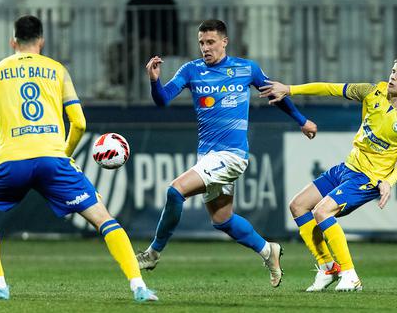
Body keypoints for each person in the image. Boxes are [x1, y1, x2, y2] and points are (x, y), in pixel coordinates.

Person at [0, 15, 157, 302]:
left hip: (12, 161)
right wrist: (64, 157)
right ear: (41, 41)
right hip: (54, 161)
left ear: (12, 41)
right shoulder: (57, 70)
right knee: (103, 218)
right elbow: (79, 123)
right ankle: (139, 286)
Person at [135, 19, 317, 287]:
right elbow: (163, 99)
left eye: (210, 42)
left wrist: (302, 120)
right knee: (223, 220)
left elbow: (276, 95)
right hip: (208, 157)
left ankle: (152, 254)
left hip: (232, 156)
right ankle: (269, 251)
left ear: (224, 41)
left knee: (176, 191)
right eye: (201, 43)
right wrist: (154, 81)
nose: (205, 48)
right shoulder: (191, 70)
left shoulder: (246, 69)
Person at [259, 55, 397, 292]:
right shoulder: (371, 92)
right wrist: (290, 89)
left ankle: (350, 275)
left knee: (322, 210)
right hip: (347, 167)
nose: (393, 77)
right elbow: (331, 88)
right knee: (298, 205)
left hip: (368, 178)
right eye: (393, 71)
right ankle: (327, 267)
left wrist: (388, 181)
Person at [114, 0, 180, 87]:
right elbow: (125, 28)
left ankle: (119, 79)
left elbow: (169, 29)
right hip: (138, 42)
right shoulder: (134, 1)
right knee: (113, 49)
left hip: (163, 44)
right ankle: (112, 83)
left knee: (141, 47)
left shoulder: (165, 1)